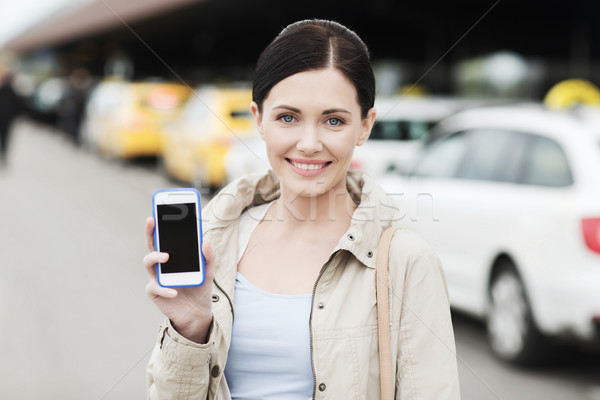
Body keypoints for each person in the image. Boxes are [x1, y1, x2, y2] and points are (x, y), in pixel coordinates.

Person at [143, 19, 460, 399]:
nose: (309, 143)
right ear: (259, 119)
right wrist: (192, 329)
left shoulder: (406, 261)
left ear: (365, 126)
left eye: (333, 120)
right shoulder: (215, 241)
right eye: (288, 117)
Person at [0, 60, 20, 167]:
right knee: (5, 138)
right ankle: (3, 155)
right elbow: (18, 105)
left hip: (3, 117)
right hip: (8, 118)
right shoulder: (12, 91)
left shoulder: (2, 90)